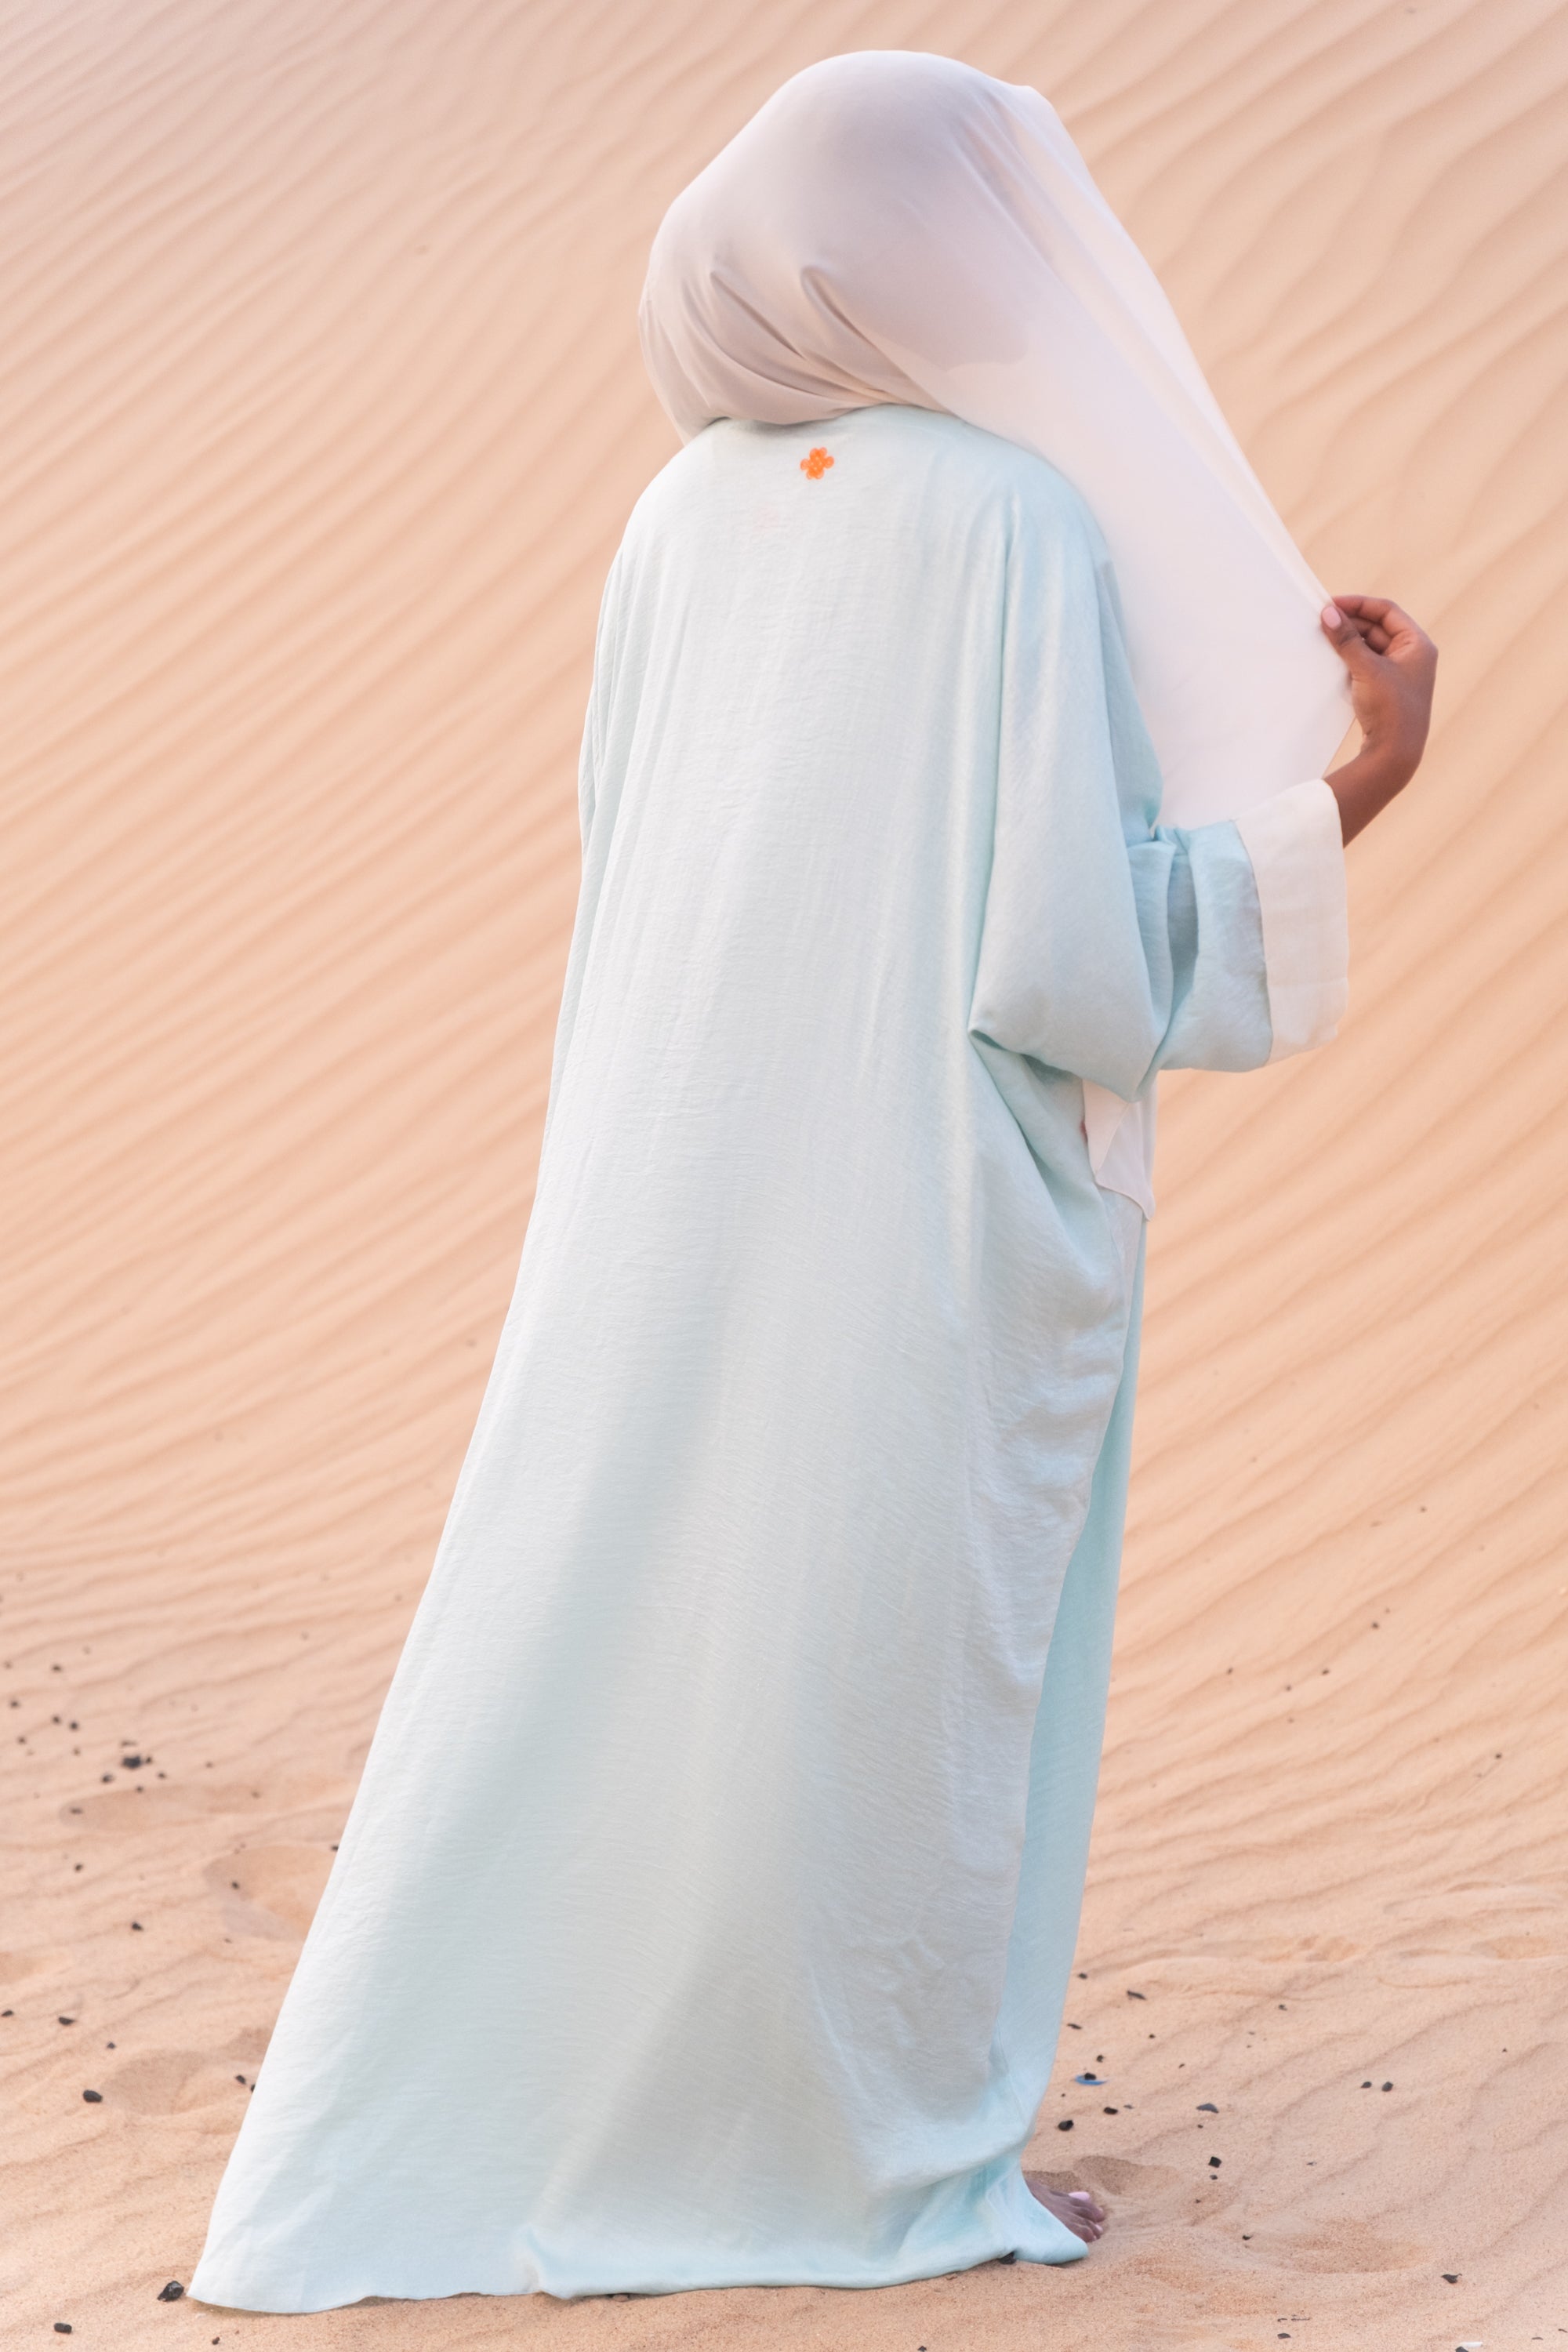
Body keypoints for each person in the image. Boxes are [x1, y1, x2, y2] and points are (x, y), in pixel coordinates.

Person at [191, 53, 1436, 2311]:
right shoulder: (1012, 522)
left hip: (661, 1186)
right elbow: (1071, 957)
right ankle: (886, 2165)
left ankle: (534, 2103)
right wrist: (1365, 783)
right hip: (926, 1203)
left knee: (642, 1633)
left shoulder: (674, 520)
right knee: (889, 1671)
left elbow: (626, 877)